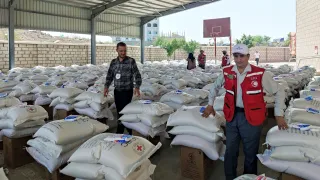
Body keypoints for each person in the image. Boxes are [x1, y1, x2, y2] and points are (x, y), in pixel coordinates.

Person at [202, 44, 287, 180]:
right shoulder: (227, 72)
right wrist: (210, 105)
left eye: (242, 56)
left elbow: (279, 91)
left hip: (252, 119)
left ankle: (249, 177)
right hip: (232, 117)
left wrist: (279, 114)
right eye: (236, 56)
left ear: (248, 57)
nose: (239, 59)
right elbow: (214, 87)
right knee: (230, 151)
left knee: (250, 152)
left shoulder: (260, 73)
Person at [104, 42, 142, 135]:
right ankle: (120, 129)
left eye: (125, 51)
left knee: (127, 111)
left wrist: (137, 86)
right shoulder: (113, 62)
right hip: (117, 91)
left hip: (127, 91)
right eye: (121, 51)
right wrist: (106, 87)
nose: (123, 53)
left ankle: (129, 130)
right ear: (116, 50)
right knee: (119, 111)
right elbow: (110, 75)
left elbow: (137, 75)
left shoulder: (131, 61)